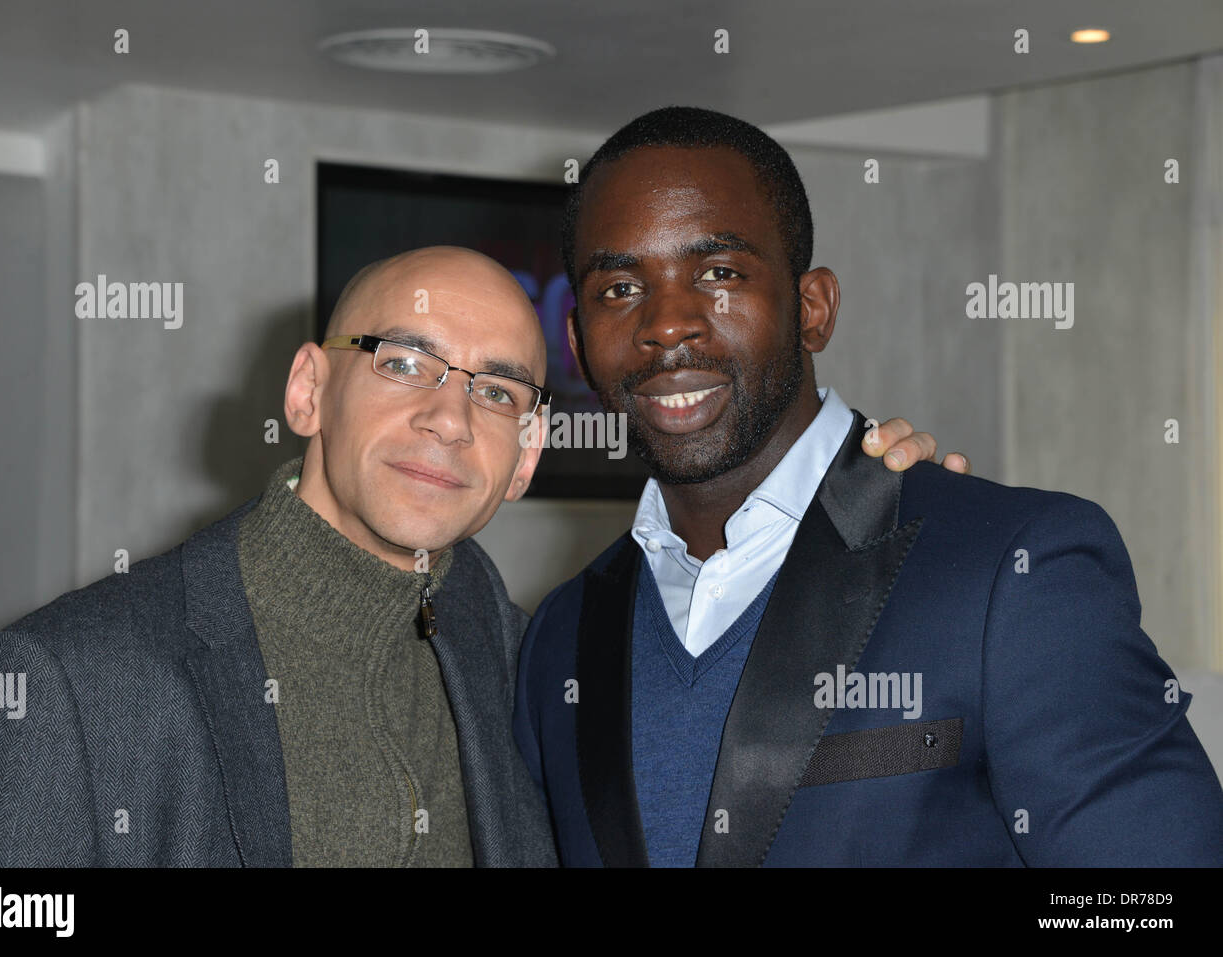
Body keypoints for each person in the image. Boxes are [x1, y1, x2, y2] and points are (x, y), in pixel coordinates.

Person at [0, 241, 952, 868]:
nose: (449, 418)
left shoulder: (535, 666)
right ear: (308, 392)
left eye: (498, 390)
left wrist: (868, 541)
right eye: (405, 362)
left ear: (524, 458)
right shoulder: (65, 683)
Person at [512, 106, 1223, 867]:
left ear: (813, 309)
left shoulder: (1009, 572)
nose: (668, 323)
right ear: (580, 344)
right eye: (619, 288)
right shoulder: (559, 637)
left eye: (719, 273)